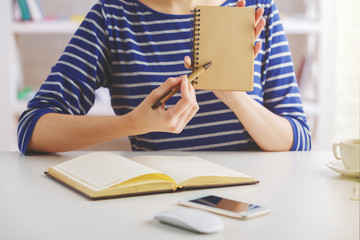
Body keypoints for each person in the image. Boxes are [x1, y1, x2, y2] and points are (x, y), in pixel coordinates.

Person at [17, 0, 311, 154]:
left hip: (252, 204)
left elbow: (298, 138)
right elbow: (32, 129)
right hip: (155, 212)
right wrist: (132, 123)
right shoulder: (112, 17)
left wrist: (235, 98)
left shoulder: (256, 9)